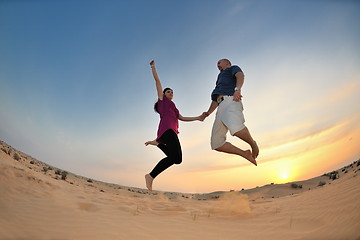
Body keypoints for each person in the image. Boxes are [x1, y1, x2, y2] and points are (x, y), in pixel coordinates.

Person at [145, 60, 204, 191]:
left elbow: (182, 118)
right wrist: (153, 67)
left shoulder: (174, 108)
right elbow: (157, 82)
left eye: (172, 92)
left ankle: (158, 147)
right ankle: (150, 176)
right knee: (176, 158)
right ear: (164, 94)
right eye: (168, 91)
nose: (171, 92)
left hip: (169, 133)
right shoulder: (163, 102)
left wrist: (198, 118)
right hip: (167, 131)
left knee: (176, 159)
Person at [203, 59, 259, 166]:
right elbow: (215, 100)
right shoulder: (219, 78)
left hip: (231, 99)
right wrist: (208, 113)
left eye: (219, 62)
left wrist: (237, 89)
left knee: (236, 129)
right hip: (220, 107)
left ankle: (253, 144)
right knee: (216, 143)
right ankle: (245, 154)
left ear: (227, 63)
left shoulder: (233, 68)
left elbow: (240, 75)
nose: (217, 64)